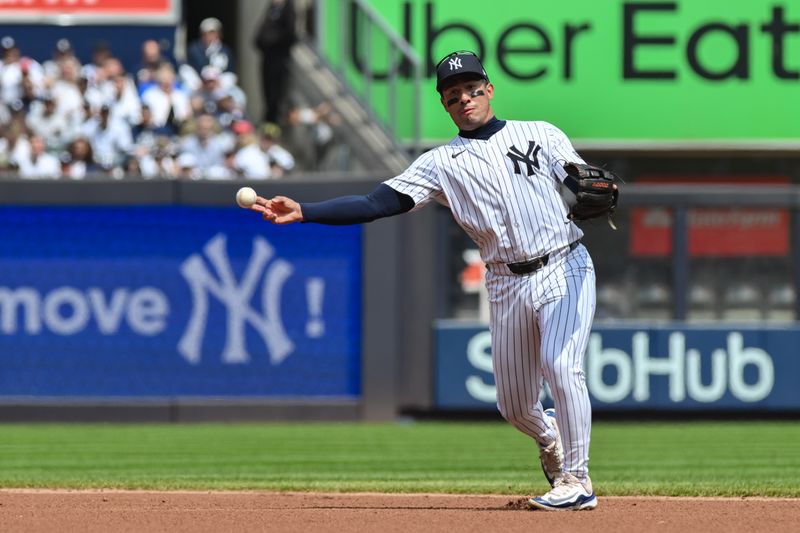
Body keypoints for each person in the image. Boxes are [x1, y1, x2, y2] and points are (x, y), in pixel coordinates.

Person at [246, 51, 618, 511]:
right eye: (453, 94)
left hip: (564, 263)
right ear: (445, 104)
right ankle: (551, 438)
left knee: (562, 367)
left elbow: (584, 179)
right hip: (505, 282)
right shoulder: (440, 163)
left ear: (490, 89)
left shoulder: (540, 132)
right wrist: (306, 211)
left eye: (472, 89)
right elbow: (375, 203)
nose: (465, 99)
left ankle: (577, 480)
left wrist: (590, 185)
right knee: (515, 406)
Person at [253, 0, 297, 123]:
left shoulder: (288, 10)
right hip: (268, 59)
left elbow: (289, 34)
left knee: (277, 96)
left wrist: (270, 40)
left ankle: (275, 123)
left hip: (279, 60)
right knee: (267, 93)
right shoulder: (271, 9)